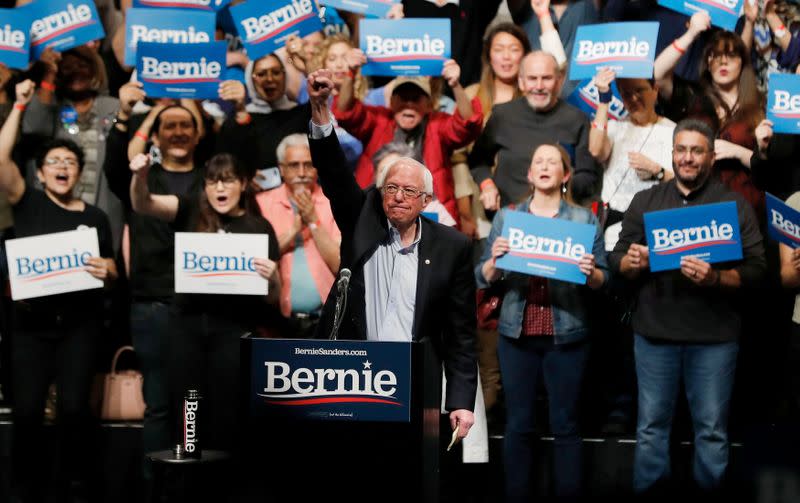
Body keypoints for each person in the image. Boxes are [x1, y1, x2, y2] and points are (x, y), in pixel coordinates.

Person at [308, 66, 477, 434]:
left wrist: (461, 402)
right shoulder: (362, 218)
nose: (399, 197)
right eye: (391, 188)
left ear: (427, 200)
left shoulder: (453, 247)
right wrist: (321, 112)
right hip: (350, 378)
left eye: (410, 192)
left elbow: (461, 334)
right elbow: (334, 173)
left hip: (412, 380)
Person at [609, 119, 766, 496]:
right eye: (681, 150)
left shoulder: (733, 204)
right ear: (673, 153)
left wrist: (717, 279)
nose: (688, 158)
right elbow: (616, 260)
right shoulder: (646, 201)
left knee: (711, 432)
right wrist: (633, 262)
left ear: (711, 157)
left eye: (697, 151)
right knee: (650, 430)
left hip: (715, 339)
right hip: (654, 337)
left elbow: (759, 270)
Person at [1, 79, 117, 502]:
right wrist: (18, 106)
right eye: (54, 160)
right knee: (27, 412)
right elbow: (0, 160)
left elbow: (112, 270)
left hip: (78, 328)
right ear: (40, 171)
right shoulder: (27, 202)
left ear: (79, 171)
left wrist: (109, 269)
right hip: (30, 327)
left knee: (73, 411)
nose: (62, 166)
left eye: (69, 160)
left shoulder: (96, 217)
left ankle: (72, 486)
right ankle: (21, 490)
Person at [476, 143, 608, 501]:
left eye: (554, 162)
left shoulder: (583, 220)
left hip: (566, 337)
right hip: (517, 335)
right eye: (538, 162)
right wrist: (495, 262)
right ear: (530, 174)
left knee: (565, 426)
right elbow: (481, 275)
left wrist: (591, 273)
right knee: (519, 425)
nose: (545, 166)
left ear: (566, 175)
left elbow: (604, 280)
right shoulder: (508, 217)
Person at [129, 150, 281, 455]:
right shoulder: (188, 211)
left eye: (227, 181)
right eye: (212, 182)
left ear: (243, 184)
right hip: (186, 328)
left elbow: (272, 297)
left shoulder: (259, 228)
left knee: (227, 412)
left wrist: (274, 276)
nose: (220, 189)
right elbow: (143, 203)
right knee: (188, 409)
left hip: (233, 331)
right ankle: (186, 479)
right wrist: (140, 176)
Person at [102, 102, 206, 500]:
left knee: (195, 404)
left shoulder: (210, 181)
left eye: (186, 125)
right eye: (169, 126)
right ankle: (155, 491)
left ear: (198, 135)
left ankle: (192, 488)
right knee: (160, 406)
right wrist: (152, 110)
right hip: (152, 306)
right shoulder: (140, 179)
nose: (178, 132)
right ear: (157, 137)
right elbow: (118, 161)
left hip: (200, 307)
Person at [333, 54, 484, 224]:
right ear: (391, 101)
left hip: (429, 218)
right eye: (403, 97)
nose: (409, 104)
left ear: (429, 104)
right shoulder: (378, 122)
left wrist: (455, 85)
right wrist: (351, 73)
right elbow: (345, 112)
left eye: (416, 98)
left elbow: (468, 123)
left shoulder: (437, 125)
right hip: (378, 217)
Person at [470, 51, 598, 210]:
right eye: (532, 78)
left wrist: (560, 186)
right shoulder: (502, 115)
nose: (539, 86)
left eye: (546, 78)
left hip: (559, 218)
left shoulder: (577, 119)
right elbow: (478, 161)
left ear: (559, 81)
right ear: (521, 82)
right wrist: (487, 185)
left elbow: (587, 176)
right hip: (508, 214)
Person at [256, 134, 341, 338]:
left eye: (308, 165)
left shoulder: (334, 203)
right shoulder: (261, 203)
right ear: (281, 169)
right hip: (277, 321)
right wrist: (293, 231)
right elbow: (258, 259)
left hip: (325, 320)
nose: (302, 172)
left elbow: (339, 264)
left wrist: (313, 221)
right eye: (294, 165)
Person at [217, 53, 310, 185]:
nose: (270, 79)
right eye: (261, 74)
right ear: (251, 79)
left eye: (276, 72)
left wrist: (307, 66)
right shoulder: (240, 115)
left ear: (285, 76)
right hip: (253, 198)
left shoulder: (302, 114)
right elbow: (226, 160)